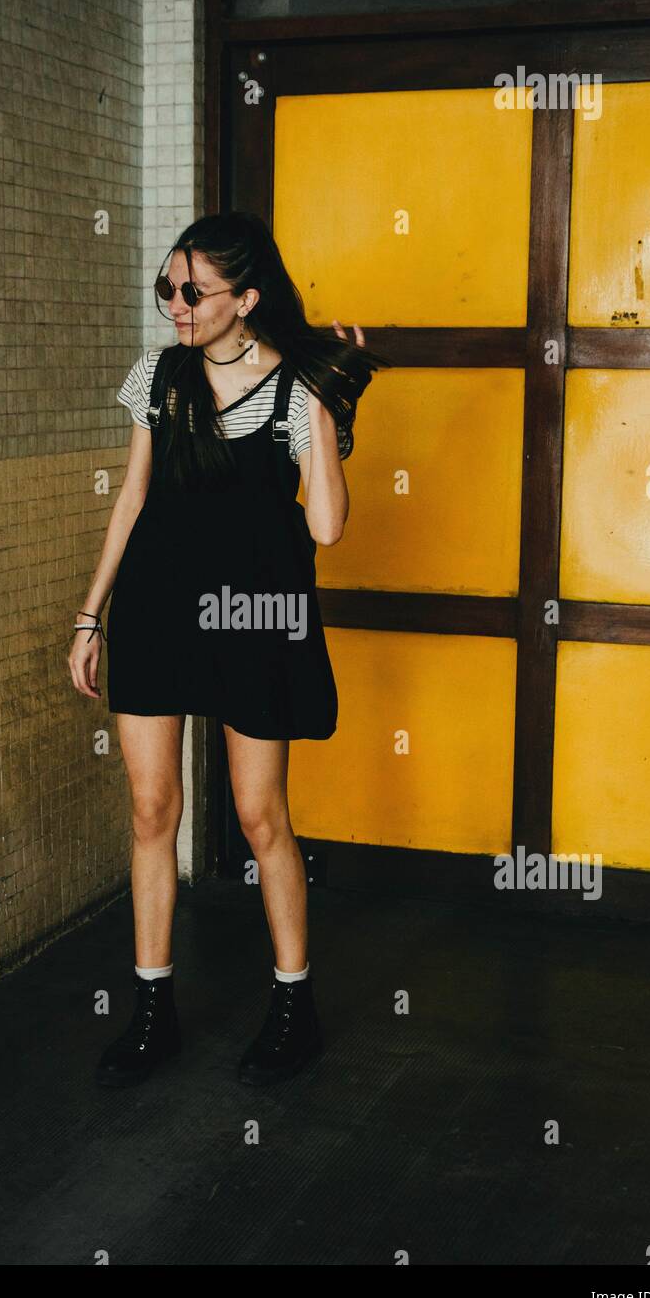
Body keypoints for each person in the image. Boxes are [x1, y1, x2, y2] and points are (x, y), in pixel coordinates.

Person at [67, 211, 384, 1088]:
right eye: (167, 287)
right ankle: (152, 1009)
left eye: (193, 290)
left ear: (245, 299)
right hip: (159, 609)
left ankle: (293, 1003)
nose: (176, 304)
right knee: (150, 811)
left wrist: (329, 406)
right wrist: (90, 616)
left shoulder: (293, 391)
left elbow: (323, 524)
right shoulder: (158, 377)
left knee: (258, 816)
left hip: (254, 612)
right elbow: (132, 499)